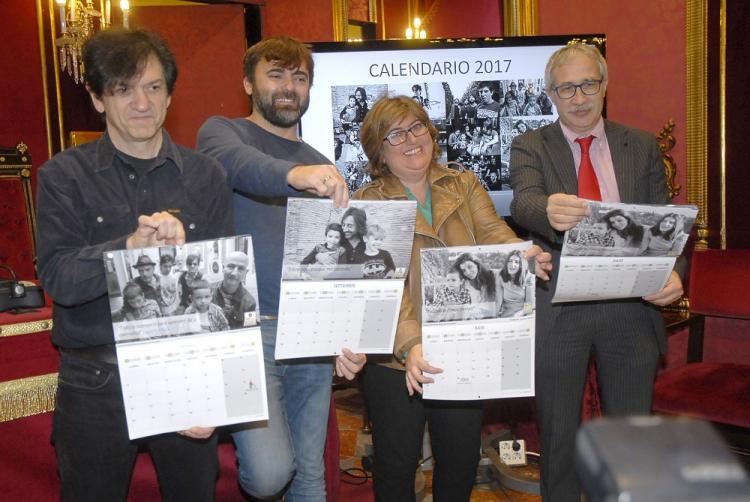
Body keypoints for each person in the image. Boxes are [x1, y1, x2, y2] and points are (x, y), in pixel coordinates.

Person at [36, 28, 234, 501]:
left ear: (169, 94)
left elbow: (228, 283)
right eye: (123, 89)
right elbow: (59, 278)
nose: (141, 102)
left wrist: (217, 390)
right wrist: (126, 248)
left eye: (153, 87)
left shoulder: (207, 176)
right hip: (95, 382)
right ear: (99, 99)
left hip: (185, 372)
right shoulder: (63, 176)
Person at [509, 43, 684, 502]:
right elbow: (524, 201)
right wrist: (547, 209)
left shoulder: (640, 145)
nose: (579, 97)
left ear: (604, 87)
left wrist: (675, 274)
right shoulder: (530, 145)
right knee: (559, 435)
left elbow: (664, 220)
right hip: (559, 308)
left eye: (588, 84)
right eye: (566, 87)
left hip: (630, 306)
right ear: (550, 94)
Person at [355, 95, 552, 501]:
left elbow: (492, 231)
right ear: (379, 149)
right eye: (396, 133)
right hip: (395, 359)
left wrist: (521, 252)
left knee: (461, 460)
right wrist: (411, 344)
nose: (411, 139)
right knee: (396, 464)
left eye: (417, 127)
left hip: (462, 346)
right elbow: (383, 285)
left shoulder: (463, 184)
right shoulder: (366, 203)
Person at [196, 35, 366, 501]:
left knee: (311, 473)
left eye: (300, 77)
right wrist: (294, 176)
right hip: (245, 331)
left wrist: (345, 335)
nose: (289, 87)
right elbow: (240, 166)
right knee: (271, 472)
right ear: (248, 83)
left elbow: (335, 261)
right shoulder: (222, 133)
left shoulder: (322, 164)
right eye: (276, 75)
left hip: (309, 332)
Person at [212, 251, 257, 329]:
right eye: (231, 266)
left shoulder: (250, 303)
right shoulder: (208, 292)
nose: (234, 273)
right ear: (223, 268)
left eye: (241, 269)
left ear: (246, 273)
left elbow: (249, 331)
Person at [451, 252, 498, 319]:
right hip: (476, 321)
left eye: (470, 267)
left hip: (494, 319)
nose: (467, 272)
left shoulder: (494, 275)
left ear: (477, 264)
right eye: (463, 270)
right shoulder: (466, 283)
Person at [496, 249, 534, 317]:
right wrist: (494, 317)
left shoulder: (528, 277)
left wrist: (517, 315)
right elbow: (498, 302)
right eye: (510, 261)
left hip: (522, 314)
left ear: (521, 266)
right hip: (506, 315)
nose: (512, 264)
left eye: (516, 262)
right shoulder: (500, 275)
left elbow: (529, 306)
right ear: (506, 263)